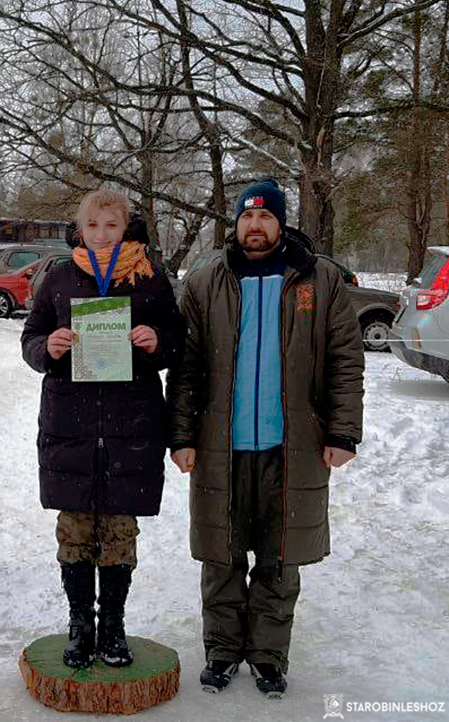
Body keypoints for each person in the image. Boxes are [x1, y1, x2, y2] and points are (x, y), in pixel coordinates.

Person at [167, 177, 364, 698]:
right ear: (236, 223)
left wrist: (343, 431)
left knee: (280, 557)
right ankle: (222, 649)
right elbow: (186, 367)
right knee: (221, 554)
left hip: (292, 446)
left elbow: (346, 360)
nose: (255, 225)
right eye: (247, 216)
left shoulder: (318, 278)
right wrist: (182, 435)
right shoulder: (206, 279)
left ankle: (269, 655)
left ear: (281, 223)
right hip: (221, 447)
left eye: (266, 216)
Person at [21, 188, 183, 669]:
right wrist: (47, 348)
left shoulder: (149, 278)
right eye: (93, 226)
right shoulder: (59, 277)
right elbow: (31, 337)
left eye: (112, 225)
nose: (102, 234)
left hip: (130, 427)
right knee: (73, 530)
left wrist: (156, 342)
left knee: (118, 532)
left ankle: (112, 625)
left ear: (126, 226)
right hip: (69, 424)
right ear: (80, 229)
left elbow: (178, 341)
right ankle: (80, 625)